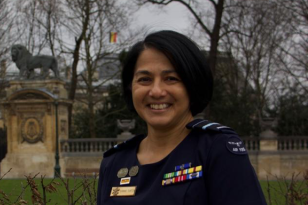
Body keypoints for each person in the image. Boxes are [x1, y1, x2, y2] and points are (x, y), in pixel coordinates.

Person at [97, 30, 267, 205]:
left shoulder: (216, 150)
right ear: (130, 88)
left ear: (192, 85)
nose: (156, 91)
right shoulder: (114, 163)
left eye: (171, 78)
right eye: (145, 79)